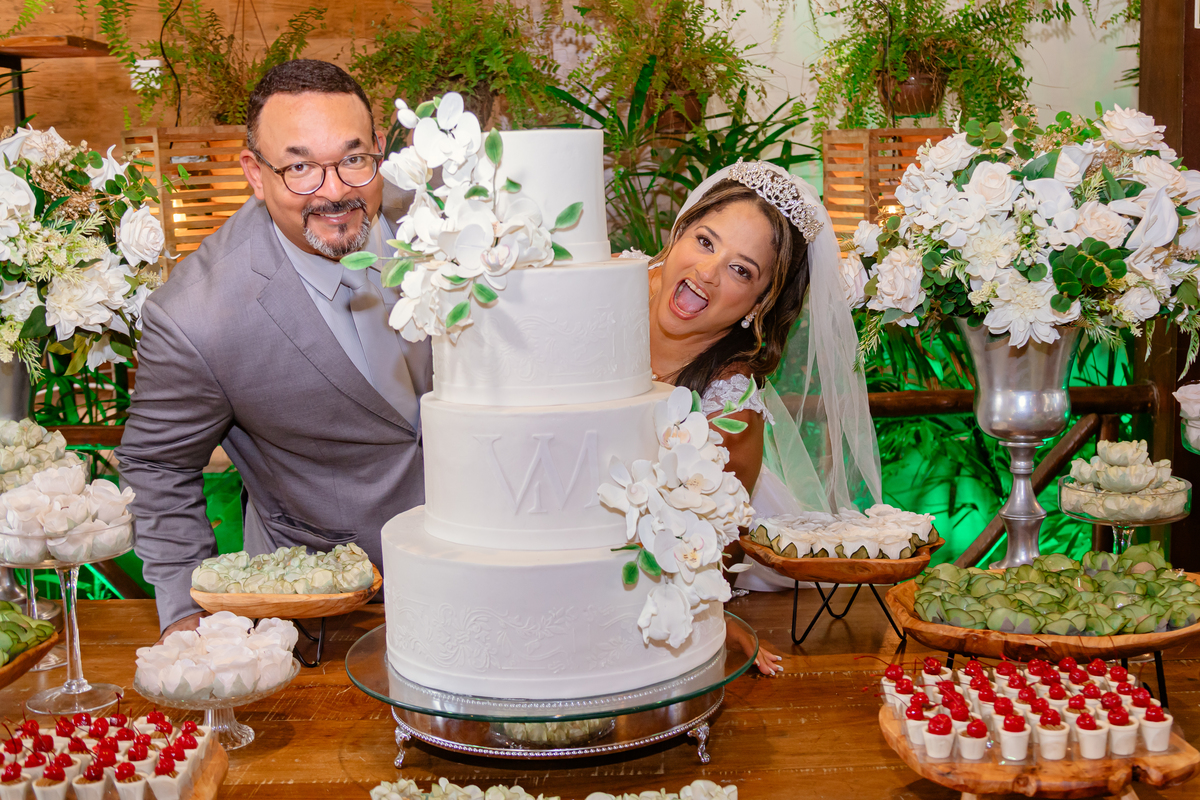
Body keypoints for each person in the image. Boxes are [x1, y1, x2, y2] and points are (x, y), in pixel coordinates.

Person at [116, 60, 432, 636]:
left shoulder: (442, 214)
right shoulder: (197, 315)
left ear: (379, 149)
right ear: (255, 175)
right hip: (326, 615)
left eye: (354, 159)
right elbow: (157, 466)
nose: (335, 191)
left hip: (494, 563)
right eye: (300, 167)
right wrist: (189, 620)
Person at [645, 161, 883, 672]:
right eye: (705, 242)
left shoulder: (730, 405)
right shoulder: (602, 293)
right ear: (679, 232)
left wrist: (707, 612)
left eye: (742, 270)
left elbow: (714, 546)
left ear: (759, 303)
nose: (708, 272)